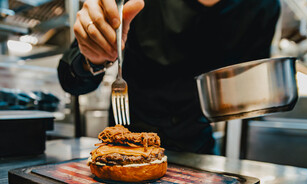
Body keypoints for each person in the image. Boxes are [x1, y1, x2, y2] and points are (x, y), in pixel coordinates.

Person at [58, 0, 280, 154]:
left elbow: (249, 87)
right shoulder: (135, 2)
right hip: (127, 144)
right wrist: (92, 59)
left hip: (198, 148)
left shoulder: (262, 7)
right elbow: (72, 80)